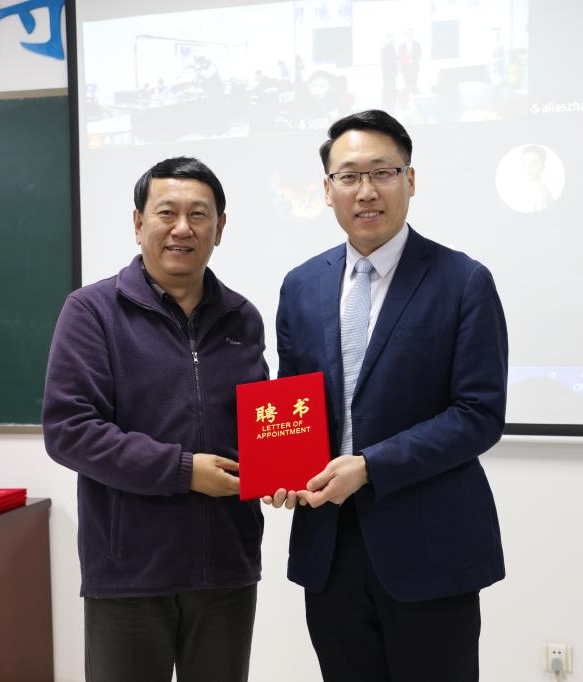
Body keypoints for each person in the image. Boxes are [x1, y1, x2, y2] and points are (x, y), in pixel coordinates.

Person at [267, 110, 508, 682]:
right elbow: (294, 399)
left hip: (429, 547)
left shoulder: (463, 281)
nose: (366, 190)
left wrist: (370, 467)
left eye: (382, 172)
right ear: (327, 190)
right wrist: (279, 466)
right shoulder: (300, 285)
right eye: (349, 176)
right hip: (330, 547)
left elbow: (478, 415)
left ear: (410, 180)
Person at [42, 157, 267, 682]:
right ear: (138, 222)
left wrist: (281, 469)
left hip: (227, 569)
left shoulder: (242, 317)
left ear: (220, 227)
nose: (182, 228)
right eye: (167, 212)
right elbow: (70, 431)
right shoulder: (93, 311)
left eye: (199, 215)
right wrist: (183, 471)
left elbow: (260, 426)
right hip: (129, 572)